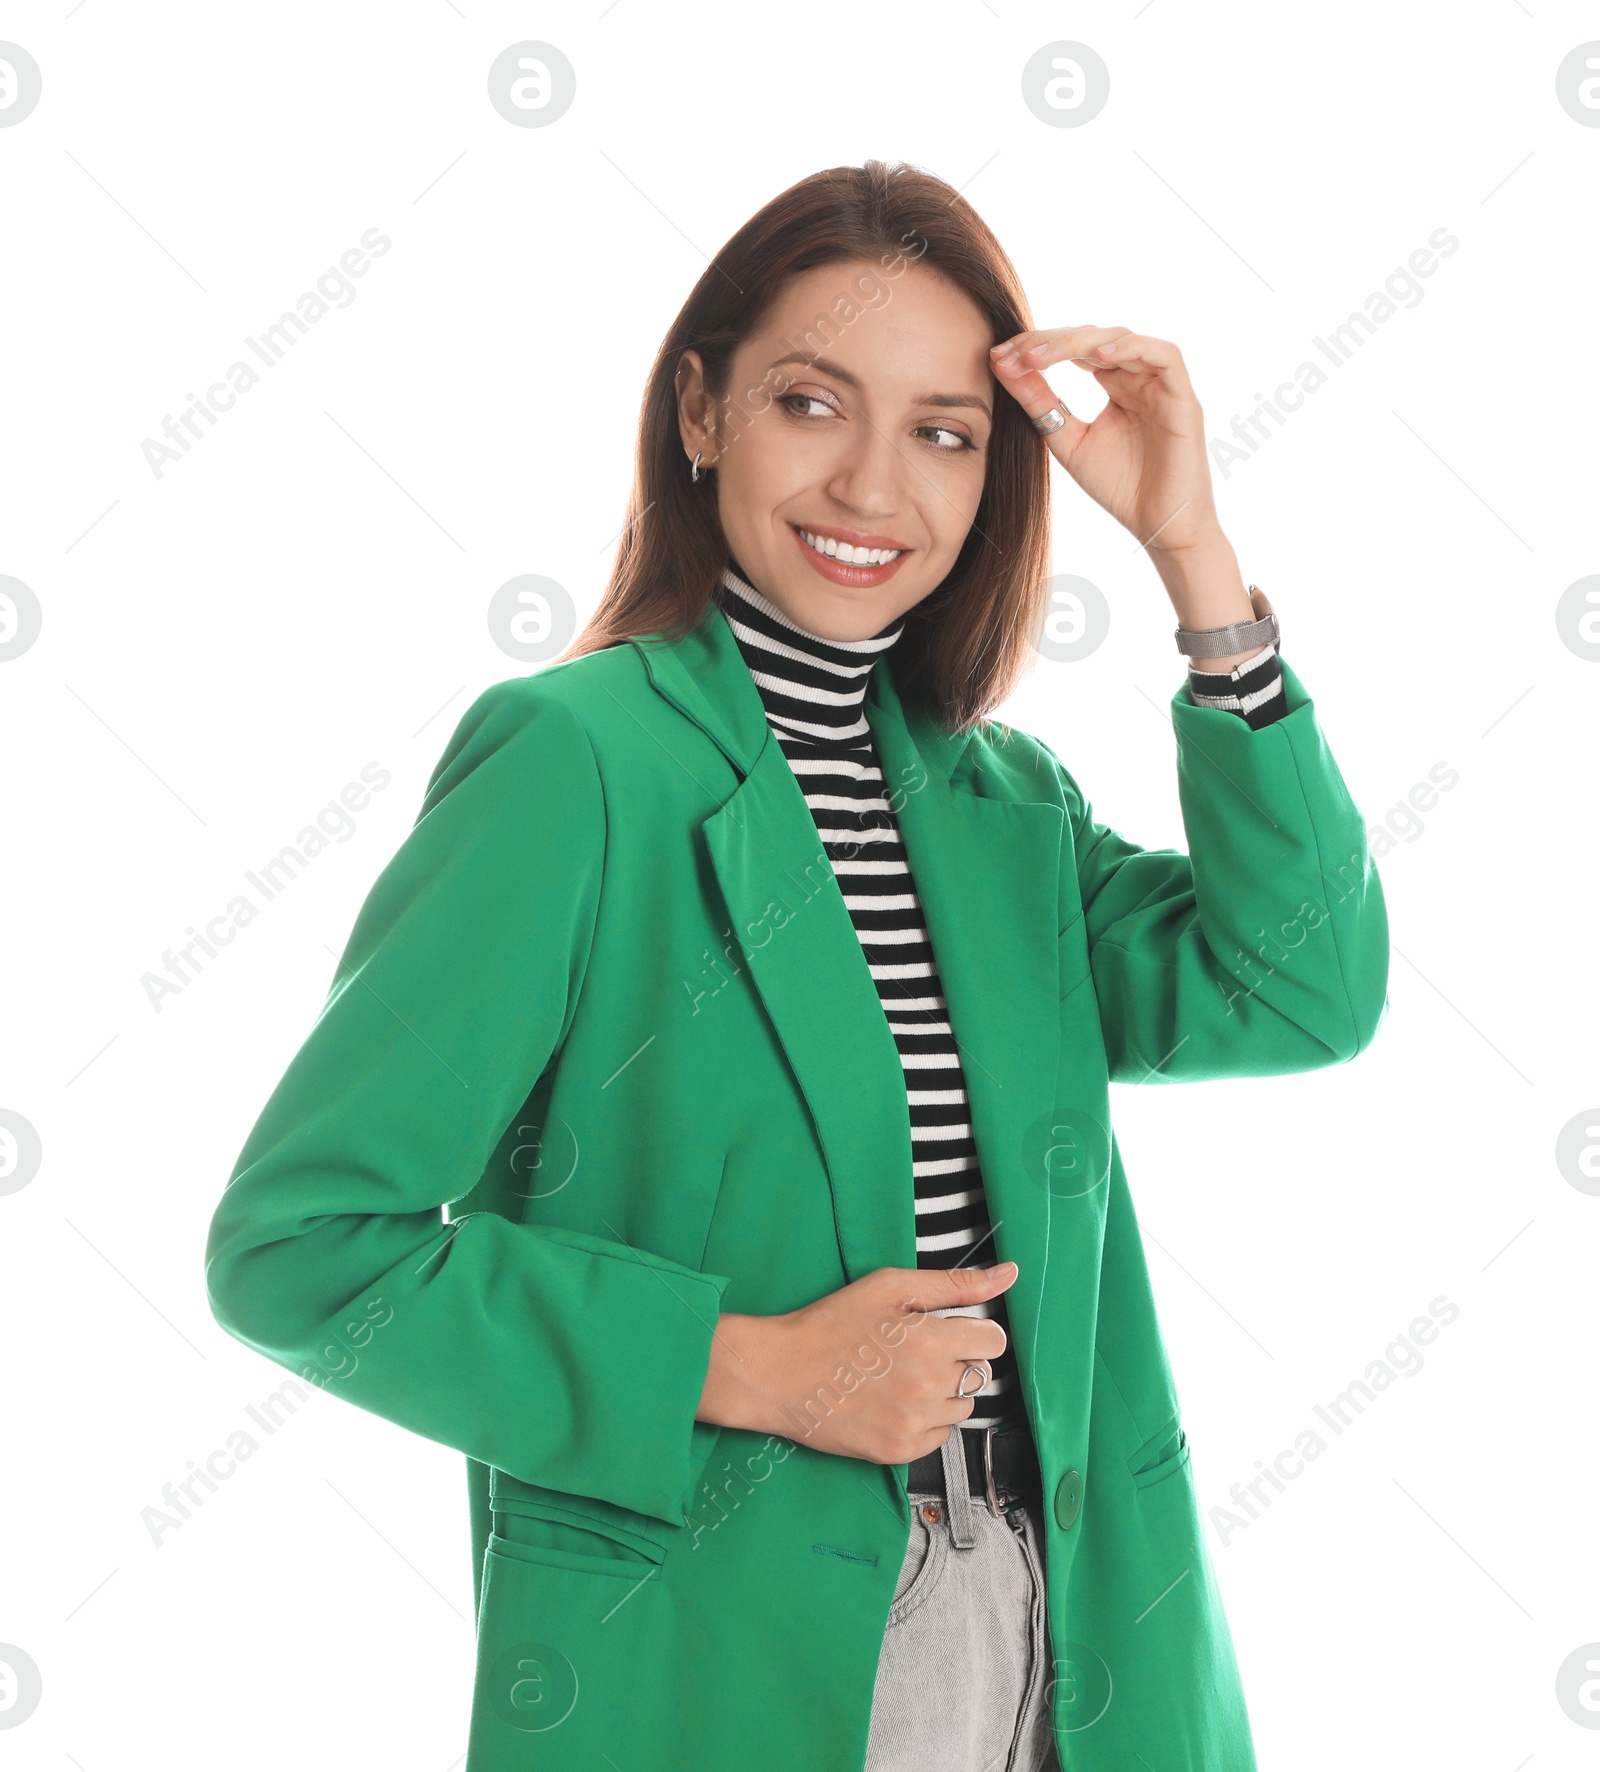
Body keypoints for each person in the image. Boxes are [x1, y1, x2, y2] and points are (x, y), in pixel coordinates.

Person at [204, 159, 1389, 1771]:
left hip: (1087, 1628)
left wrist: (1195, 555)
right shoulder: (578, 764)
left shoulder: (1002, 801)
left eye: (943, 432)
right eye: (812, 404)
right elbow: (303, 1251)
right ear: (702, 411)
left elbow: (1298, 989)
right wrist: (750, 1367)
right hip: (738, 1642)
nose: (873, 490)